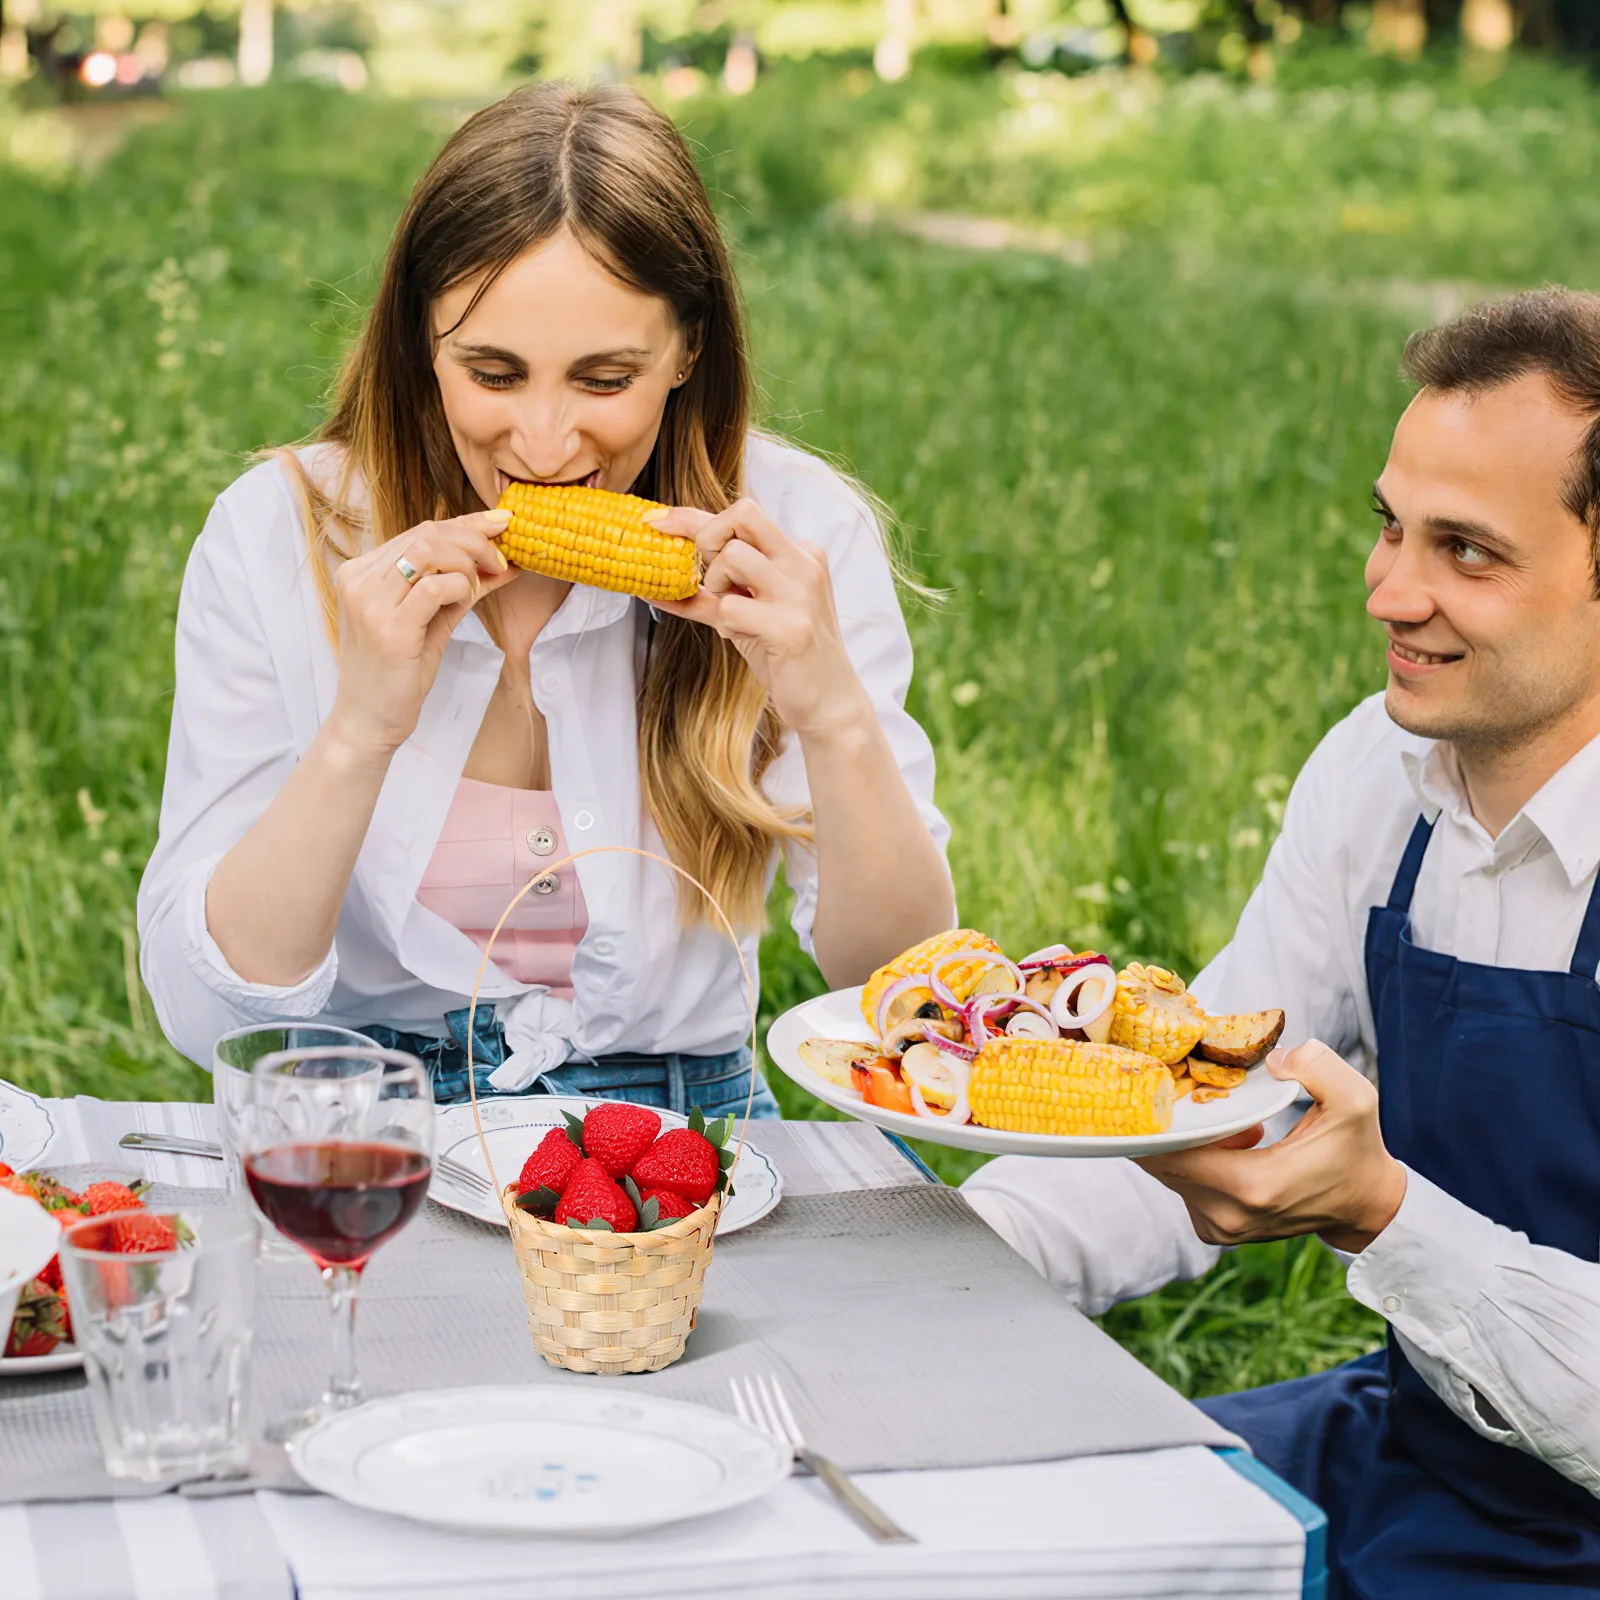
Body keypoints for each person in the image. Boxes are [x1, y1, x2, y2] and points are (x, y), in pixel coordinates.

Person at [136, 82, 953, 1113]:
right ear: (420, 344)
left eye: (605, 379)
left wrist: (830, 716)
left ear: (688, 348)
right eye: (493, 373)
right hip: (364, 1119)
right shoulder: (278, 533)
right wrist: (358, 731)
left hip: (679, 1128)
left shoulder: (793, 531)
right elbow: (208, 1018)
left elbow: (907, 996)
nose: (544, 442)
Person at [965, 289, 1600, 1596]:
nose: (1388, 589)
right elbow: (1208, 1096)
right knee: (981, 1548)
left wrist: (1381, 1214)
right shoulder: (1385, 767)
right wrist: (944, 1272)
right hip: (1409, 1449)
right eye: (1389, 523)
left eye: (1465, 552)